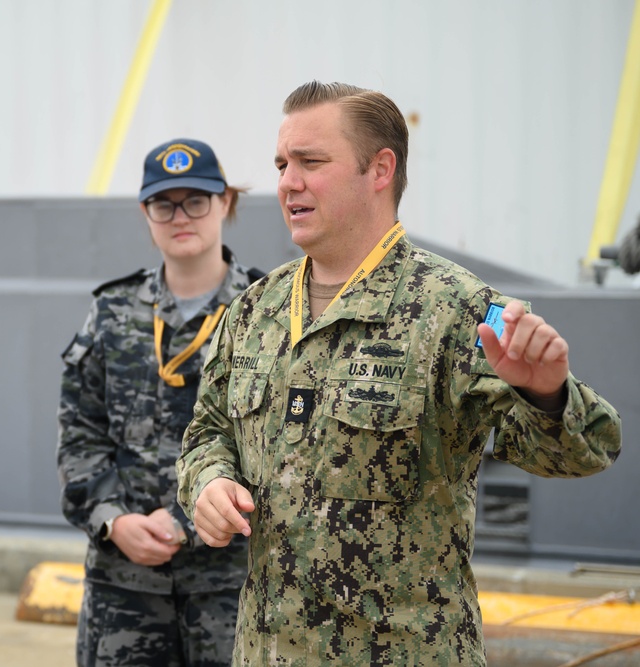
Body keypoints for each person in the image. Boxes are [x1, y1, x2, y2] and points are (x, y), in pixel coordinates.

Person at [176, 81, 621, 666]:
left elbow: (587, 450)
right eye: (283, 164)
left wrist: (545, 391)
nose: (288, 182)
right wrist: (208, 483)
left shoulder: (457, 311)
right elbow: (207, 432)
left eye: (311, 162)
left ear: (379, 169)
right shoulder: (254, 311)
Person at [57, 138, 261, 666]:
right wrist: (112, 520)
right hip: (124, 585)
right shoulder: (111, 310)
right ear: (145, 213)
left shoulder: (265, 313)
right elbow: (79, 434)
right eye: (163, 203)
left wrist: (185, 524)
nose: (179, 216)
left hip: (231, 585)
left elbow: (281, 448)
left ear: (225, 203)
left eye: (195, 200)